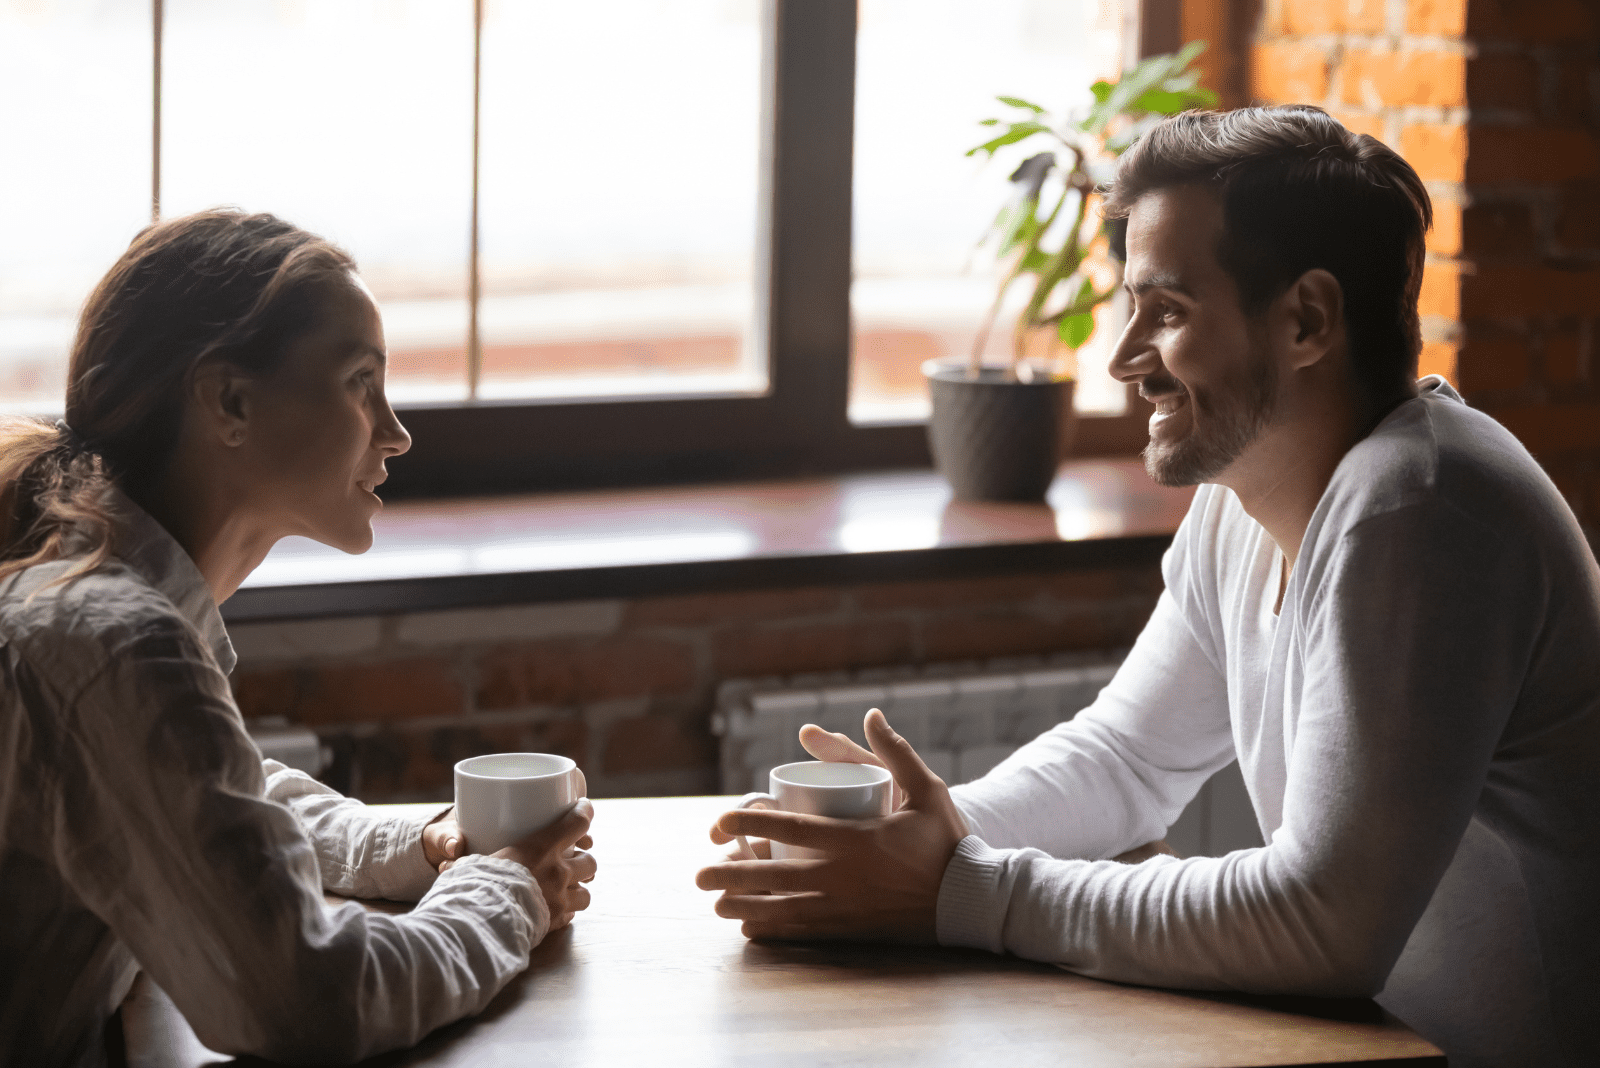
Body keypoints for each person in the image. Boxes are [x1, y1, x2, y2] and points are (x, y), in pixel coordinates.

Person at [696, 105, 1600, 1068]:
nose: (1124, 358)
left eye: (1166, 312)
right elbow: (1126, 759)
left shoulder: (1418, 507)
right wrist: (909, 839)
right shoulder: (1245, 498)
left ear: (1306, 320)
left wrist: (955, 888)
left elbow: (1323, 923)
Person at [0, 210, 597, 1067]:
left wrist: (414, 848)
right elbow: (308, 999)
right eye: (361, 381)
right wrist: (503, 894)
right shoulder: (115, 645)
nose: (395, 431)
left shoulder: (96, 603)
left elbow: (196, 792)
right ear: (230, 401)